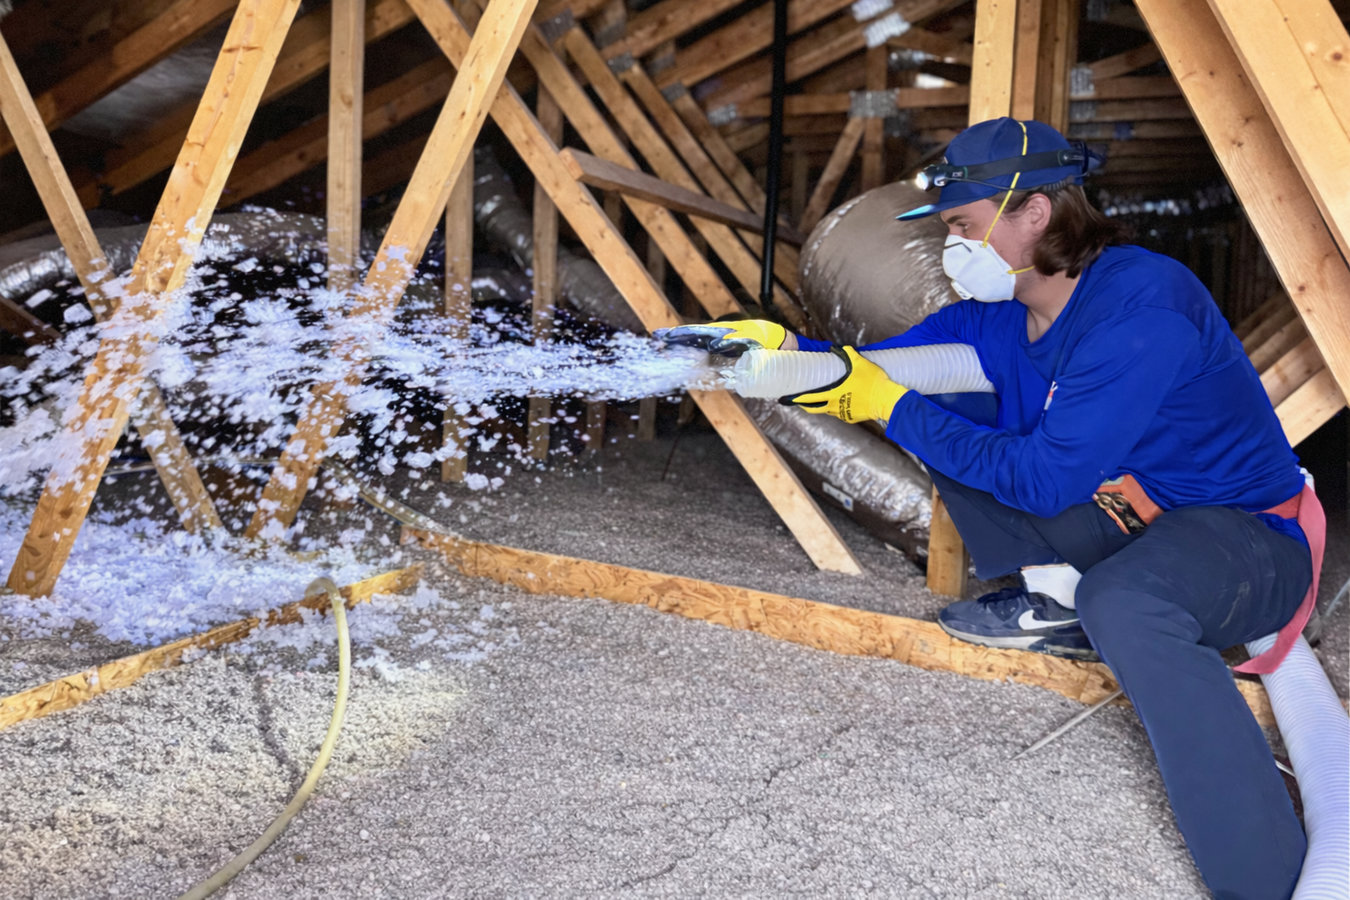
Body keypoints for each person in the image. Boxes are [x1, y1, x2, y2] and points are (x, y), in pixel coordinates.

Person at [660, 117, 1325, 900]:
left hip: (1253, 544)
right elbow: (879, 371)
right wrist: (777, 353)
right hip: (1139, 518)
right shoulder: (1003, 315)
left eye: (963, 227)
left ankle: (1264, 880)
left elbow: (1042, 482)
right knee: (959, 417)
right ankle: (1055, 601)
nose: (953, 250)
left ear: (1034, 214)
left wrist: (891, 405)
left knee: (1128, 600)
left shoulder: (1142, 309)